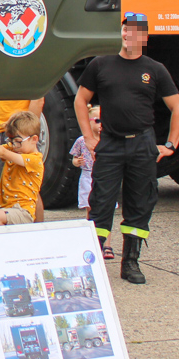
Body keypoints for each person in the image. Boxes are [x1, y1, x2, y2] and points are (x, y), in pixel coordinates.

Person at [75, 11, 179, 285]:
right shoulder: (101, 65)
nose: (129, 35)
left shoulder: (155, 69)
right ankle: (93, 261)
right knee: (100, 202)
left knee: (140, 203)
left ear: (144, 37)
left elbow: (178, 108)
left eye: (135, 31)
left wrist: (170, 144)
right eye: (125, 30)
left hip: (142, 144)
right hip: (110, 143)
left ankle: (131, 263)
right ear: (122, 33)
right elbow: (80, 100)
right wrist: (89, 137)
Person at [0, 110, 44, 225]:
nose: (14, 146)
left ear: (34, 139)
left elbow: (3, 153)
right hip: (5, 209)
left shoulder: (35, 159)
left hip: (22, 211)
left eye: (18, 141)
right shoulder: (15, 149)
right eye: (11, 141)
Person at [70, 106, 110, 258]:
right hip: (87, 176)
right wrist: (77, 162)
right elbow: (74, 157)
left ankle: (107, 244)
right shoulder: (82, 140)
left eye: (104, 121)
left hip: (105, 177)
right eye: (98, 121)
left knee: (107, 210)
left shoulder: (108, 139)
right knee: (90, 210)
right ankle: (92, 239)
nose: (101, 125)